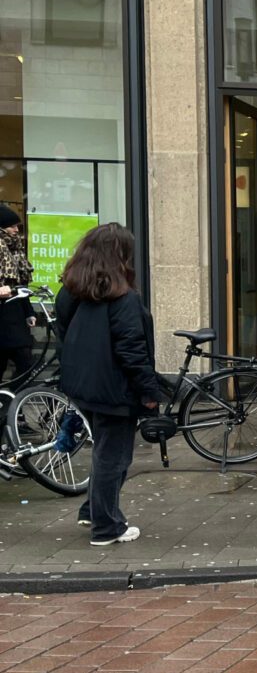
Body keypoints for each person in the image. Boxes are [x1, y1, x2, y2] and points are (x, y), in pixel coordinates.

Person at [54, 224, 163, 548]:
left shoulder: (72, 292)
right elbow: (133, 351)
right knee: (113, 457)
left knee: (104, 452)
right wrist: (149, 392)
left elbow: (64, 332)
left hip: (83, 384)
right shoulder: (123, 299)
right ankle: (106, 526)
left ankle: (92, 510)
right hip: (114, 388)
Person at [0, 205, 36, 385]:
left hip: (14, 315)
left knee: (26, 363)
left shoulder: (16, 249)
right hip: (2, 314)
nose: (16, 230)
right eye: (12, 226)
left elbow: (21, 285)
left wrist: (29, 311)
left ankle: (11, 404)